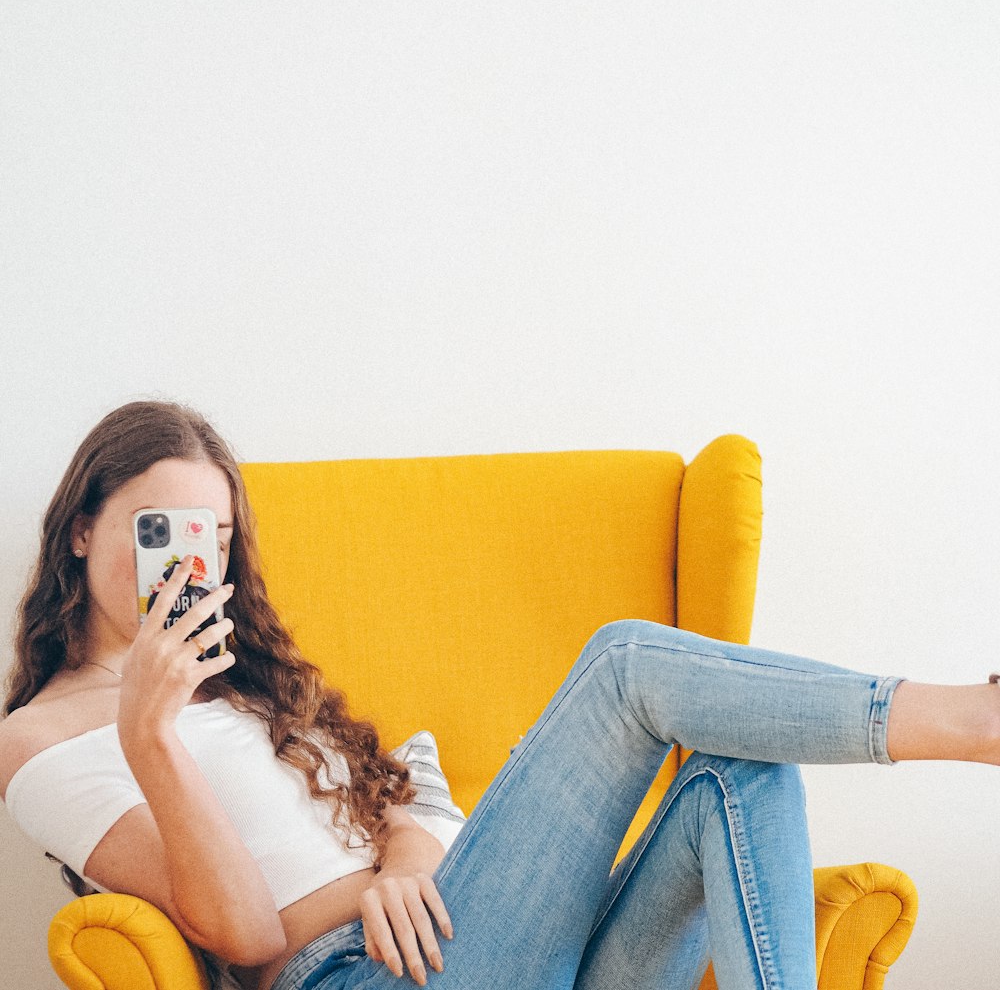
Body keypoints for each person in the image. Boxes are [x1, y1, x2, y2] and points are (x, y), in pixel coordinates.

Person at [1, 401, 998, 990]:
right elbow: (246, 934)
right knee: (621, 666)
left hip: (472, 938)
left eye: (212, 536)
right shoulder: (39, 738)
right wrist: (151, 732)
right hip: (360, 979)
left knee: (742, 769)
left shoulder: (258, 689)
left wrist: (402, 862)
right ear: (82, 528)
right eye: (158, 529)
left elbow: (415, 795)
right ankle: (968, 718)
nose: (191, 562)